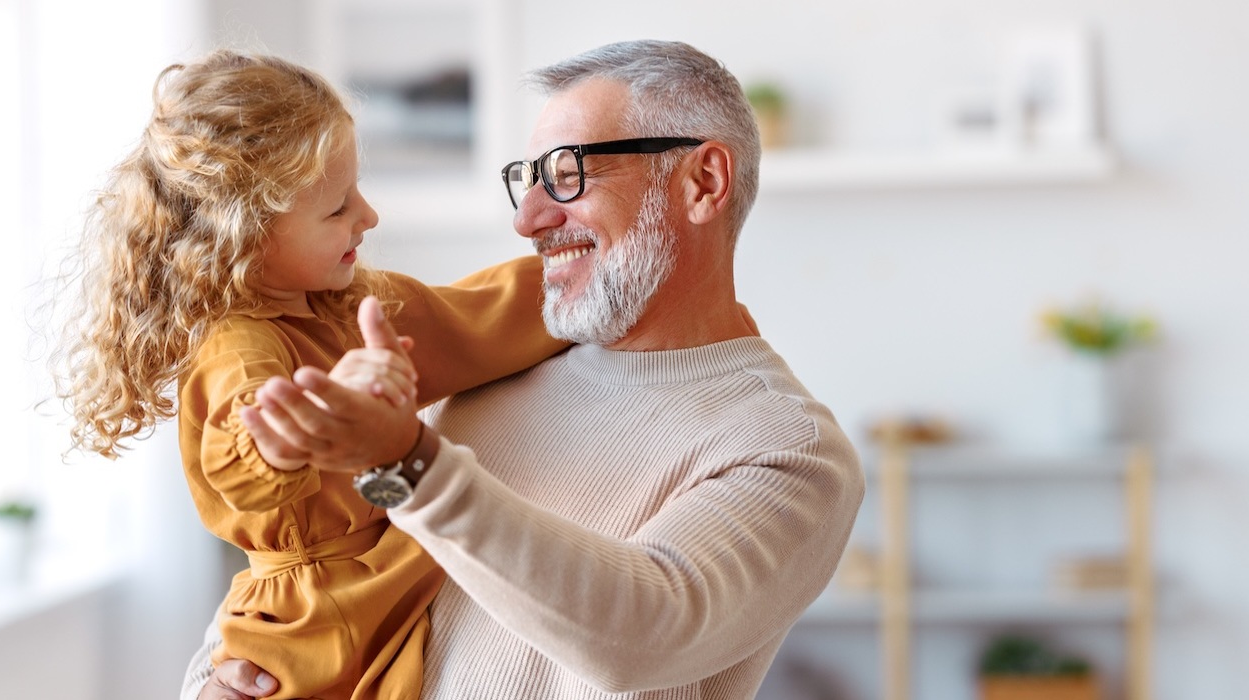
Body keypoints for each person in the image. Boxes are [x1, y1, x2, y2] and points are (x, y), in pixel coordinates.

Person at [185, 39, 865, 700]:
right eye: (527, 179)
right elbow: (327, 565)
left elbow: (640, 632)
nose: (530, 219)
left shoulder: (788, 449)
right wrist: (215, 682)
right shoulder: (488, 367)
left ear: (702, 182)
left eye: (567, 172)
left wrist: (409, 463)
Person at [56, 51, 566, 700]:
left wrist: (584, 279)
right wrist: (321, 414)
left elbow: (474, 316)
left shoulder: (350, 303)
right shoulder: (237, 346)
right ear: (246, 235)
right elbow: (244, 453)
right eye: (338, 209)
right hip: (313, 624)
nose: (369, 216)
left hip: (379, 576)